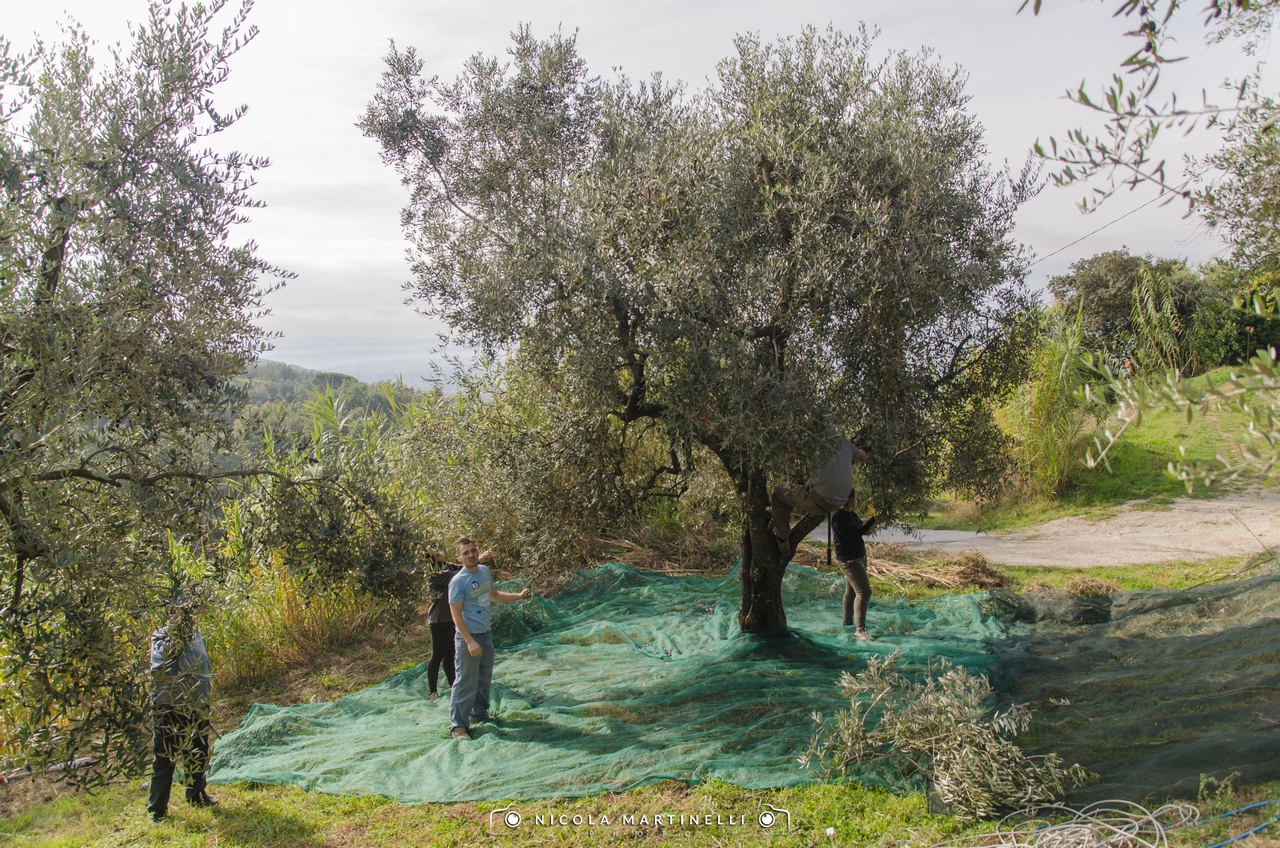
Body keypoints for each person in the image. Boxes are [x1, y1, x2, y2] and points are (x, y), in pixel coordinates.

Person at [448, 537, 532, 739]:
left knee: (483, 677)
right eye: (466, 553)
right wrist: (469, 641)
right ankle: (458, 726)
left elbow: (494, 595)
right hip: (469, 638)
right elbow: (456, 614)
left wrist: (518, 596)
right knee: (465, 680)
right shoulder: (458, 582)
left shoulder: (484, 571)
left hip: (486, 634)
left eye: (473, 550)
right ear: (459, 558)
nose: (471, 555)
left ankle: (478, 714)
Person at [148, 594, 217, 822]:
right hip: (170, 706)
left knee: (198, 751)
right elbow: (159, 667)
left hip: (196, 705)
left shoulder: (196, 634)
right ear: (172, 614)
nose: (191, 618)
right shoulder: (161, 637)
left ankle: (196, 795)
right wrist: (176, 637)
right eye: (184, 613)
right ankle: (157, 811)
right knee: (164, 759)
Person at [771, 435, 869, 551]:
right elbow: (863, 456)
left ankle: (782, 539)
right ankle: (776, 519)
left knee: (777, 491)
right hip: (841, 501)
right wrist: (861, 450)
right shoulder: (845, 442)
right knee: (793, 491)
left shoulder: (814, 443)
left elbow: (789, 455)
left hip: (820, 501)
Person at [425, 547, 492, 700]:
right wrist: (479, 559)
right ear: (433, 556)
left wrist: (474, 561)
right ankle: (432, 691)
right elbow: (459, 574)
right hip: (439, 620)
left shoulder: (448, 566)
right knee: (437, 655)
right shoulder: (433, 572)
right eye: (440, 551)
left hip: (452, 619)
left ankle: (452, 683)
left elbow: (462, 568)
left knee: (449, 654)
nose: (444, 552)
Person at [831, 489, 876, 639]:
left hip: (859, 556)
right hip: (849, 560)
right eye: (855, 497)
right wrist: (872, 520)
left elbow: (863, 531)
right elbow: (853, 535)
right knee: (864, 591)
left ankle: (847, 622)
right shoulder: (838, 517)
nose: (856, 500)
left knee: (851, 591)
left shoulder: (852, 515)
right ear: (850, 499)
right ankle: (860, 629)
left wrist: (875, 522)